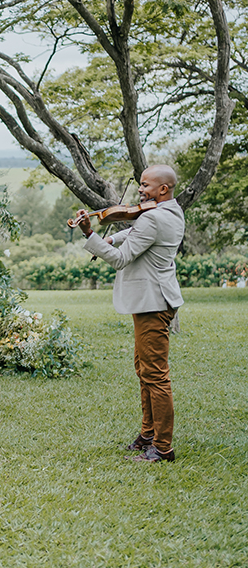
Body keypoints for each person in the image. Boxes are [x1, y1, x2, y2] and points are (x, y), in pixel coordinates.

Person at [75, 165, 185, 462]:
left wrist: (91, 235)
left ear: (163, 189)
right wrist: (110, 238)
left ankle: (162, 447)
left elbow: (122, 260)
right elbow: (137, 231)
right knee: (145, 371)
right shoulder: (170, 211)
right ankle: (148, 433)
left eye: (146, 185)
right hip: (153, 301)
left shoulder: (152, 218)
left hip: (153, 303)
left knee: (155, 376)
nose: (140, 190)